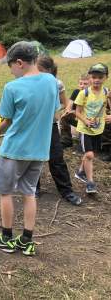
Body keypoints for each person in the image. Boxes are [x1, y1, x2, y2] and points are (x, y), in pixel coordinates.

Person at [0, 41, 60, 256]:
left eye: (10, 67)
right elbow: (52, 112)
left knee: (5, 193)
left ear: (19, 63)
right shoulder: (51, 81)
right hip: (39, 151)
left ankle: (6, 237)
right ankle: (27, 240)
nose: (11, 72)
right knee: (29, 193)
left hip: (13, 150)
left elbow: (7, 120)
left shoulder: (13, 87)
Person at [35, 56, 82, 206]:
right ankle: (33, 189)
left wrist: (58, 110)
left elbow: (65, 102)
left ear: (50, 70)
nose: (38, 73)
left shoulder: (57, 84)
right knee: (34, 158)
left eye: (41, 70)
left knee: (56, 158)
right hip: (34, 127)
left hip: (50, 126)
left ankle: (67, 191)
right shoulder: (31, 82)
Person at [73, 63, 111, 194]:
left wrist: (109, 116)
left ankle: (80, 172)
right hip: (85, 129)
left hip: (99, 129)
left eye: (100, 77)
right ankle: (90, 183)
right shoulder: (84, 93)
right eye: (94, 77)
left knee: (89, 155)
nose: (96, 80)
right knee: (89, 155)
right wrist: (85, 121)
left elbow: (108, 106)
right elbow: (77, 112)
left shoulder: (106, 92)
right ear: (90, 77)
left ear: (106, 77)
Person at [60, 74, 90, 148]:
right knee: (65, 117)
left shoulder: (92, 94)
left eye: (85, 84)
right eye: (80, 83)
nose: (82, 86)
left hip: (89, 119)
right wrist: (67, 111)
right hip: (77, 116)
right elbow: (69, 106)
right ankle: (66, 140)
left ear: (91, 84)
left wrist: (78, 114)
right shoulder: (76, 92)